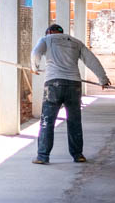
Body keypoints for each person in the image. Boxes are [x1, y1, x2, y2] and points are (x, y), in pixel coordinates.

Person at [30, 22, 110, 164]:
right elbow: (91, 60)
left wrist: (34, 67)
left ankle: (42, 156)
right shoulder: (76, 42)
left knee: (47, 122)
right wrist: (102, 79)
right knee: (74, 121)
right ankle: (78, 155)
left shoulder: (46, 40)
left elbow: (36, 53)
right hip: (74, 84)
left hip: (53, 84)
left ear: (49, 32)